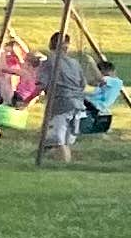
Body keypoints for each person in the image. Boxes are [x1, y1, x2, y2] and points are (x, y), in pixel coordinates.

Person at [38, 29, 92, 164]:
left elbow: (41, 84)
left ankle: (63, 164)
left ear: (51, 45)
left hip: (61, 104)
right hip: (78, 105)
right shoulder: (75, 63)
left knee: (58, 140)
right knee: (65, 140)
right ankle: (60, 164)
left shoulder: (49, 62)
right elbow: (83, 84)